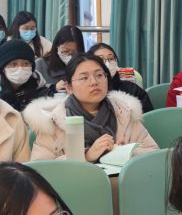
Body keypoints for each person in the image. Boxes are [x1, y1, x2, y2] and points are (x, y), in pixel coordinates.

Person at [24, 53, 158, 162]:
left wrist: (126, 152)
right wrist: (86, 156)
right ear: (69, 87)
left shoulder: (124, 112)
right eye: (84, 78)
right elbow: (41, 169)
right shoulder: (53, 120)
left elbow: (153, 153)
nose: (94, 82)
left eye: (99, 75)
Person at [90, 42, 153, 112]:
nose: (107, 63)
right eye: (101, 59)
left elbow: (148, 114)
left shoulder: (132, 89)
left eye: (111, 58)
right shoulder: (89, 91)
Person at [0, 39, 51, 112]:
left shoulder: (40, 88)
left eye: (26, 64)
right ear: (2, 68)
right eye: (13, 64)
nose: (20, 68)